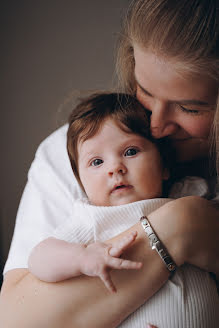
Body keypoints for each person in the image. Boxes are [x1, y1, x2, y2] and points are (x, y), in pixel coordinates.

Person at [0, 1, 218, 328]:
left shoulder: (190, 188)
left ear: (165, 171)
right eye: (145, 91)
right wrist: (181, 226)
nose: (156, 126)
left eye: (189, 108)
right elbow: (18, 318)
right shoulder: (84, 165)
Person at [27, 92, 218, 328]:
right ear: (80, 181)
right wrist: (82, 257)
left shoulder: (187, 193)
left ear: (164, 166)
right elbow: (38, 258)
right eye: (97, 162)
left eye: (130, 152)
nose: (115, 168)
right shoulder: (92, 217)